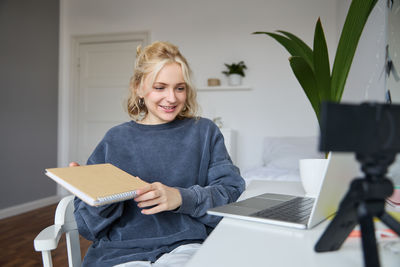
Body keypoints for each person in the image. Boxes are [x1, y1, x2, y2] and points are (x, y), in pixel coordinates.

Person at [72, 41, 245, 267]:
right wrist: (97, 195)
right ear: (138, 88)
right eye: (160, 87)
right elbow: (87, 227)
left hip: (186, 246)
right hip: (119, 253)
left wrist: (181, 198)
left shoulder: (204, 132)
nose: (172, 98)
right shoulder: (115, 139)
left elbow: (232, 196)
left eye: (180, 88)